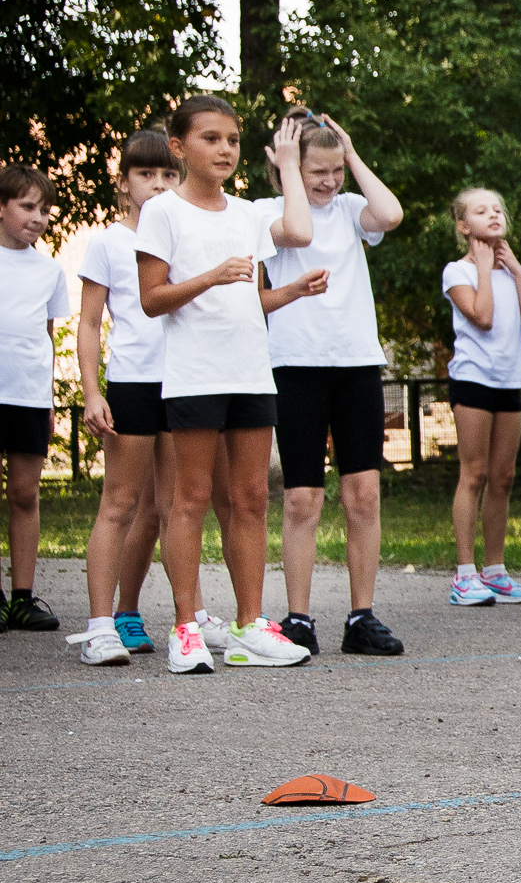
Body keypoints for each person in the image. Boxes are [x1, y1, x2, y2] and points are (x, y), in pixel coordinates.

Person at [137, 98, 321, 672]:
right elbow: (151, 300)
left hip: (250, 370)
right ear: (179, 147)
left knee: (248, 500)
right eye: (211, 138)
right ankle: (186, 628)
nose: (224, 150)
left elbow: (294, 233)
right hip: (195, 374)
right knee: (189, 500)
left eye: (233, 140)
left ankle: (247, 626)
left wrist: (289, 163)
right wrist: (212, 275)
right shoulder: (162, 212)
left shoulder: (245, 213)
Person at [256, 111, 406, 656]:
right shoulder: (266, 213)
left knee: (363, 495)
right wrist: (290, 169)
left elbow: (390, 212)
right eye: (317, 171)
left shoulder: (349, 210)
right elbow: (297, 231)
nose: (328, 182)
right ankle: (298, 618)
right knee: (301, 499)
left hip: (356, 365)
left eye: (335, 171)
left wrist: (350, 149)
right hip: (295, 365)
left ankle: (360, 616)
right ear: (289, 168)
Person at [68, 134, 181, 664]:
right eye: (146, 175)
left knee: (167, 510)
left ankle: (128, 613)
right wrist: (92, 393)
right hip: (133, 383)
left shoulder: (186, 236)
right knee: (120, 503)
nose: (158, 184)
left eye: (168, 175)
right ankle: (97, 628)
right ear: (124, 184)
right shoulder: (108, 243)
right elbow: (89, 324)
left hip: (184, 384)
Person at [441, 186, 521, 606]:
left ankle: (496, 570)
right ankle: (465, 574)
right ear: (464, 226)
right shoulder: (458, 271)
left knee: (504, 478)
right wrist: (484, 267)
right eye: (482, 211)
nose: (494, 214)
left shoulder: (511, 271)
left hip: (509, 380)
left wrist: (516, 271)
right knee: (475, 473)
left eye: (498, 208)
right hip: (473, 380)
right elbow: (481, 317)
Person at [0, 165, 68, 634]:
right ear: (1, 207)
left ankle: (22, 598)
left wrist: (45, 403)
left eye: (44, 209)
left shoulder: (49, 271)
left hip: (27, 396)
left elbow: (46, 337)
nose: (38, 217)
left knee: (25, 494)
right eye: (27, 206)